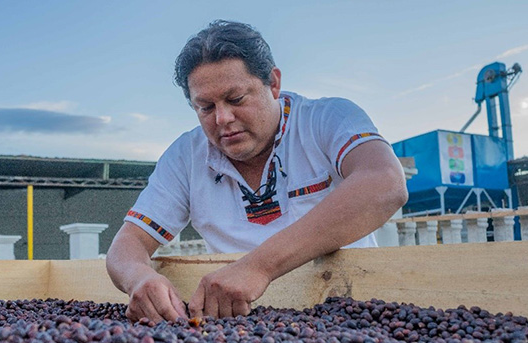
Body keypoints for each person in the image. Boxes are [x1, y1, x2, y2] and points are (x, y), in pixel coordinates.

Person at [107, 20, 408, 322]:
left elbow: (385, 182)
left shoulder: (327, 119)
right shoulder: (184, 156)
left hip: (349, 312)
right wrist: (139, 279)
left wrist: (257, 267)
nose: (223, 118)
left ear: (273, 83)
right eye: (206, 108)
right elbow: (128, 244)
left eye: (236, 99)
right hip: (235, 325)